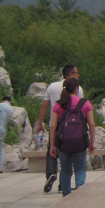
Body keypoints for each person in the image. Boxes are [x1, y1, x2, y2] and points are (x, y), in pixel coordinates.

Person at [35, 65, 84, 193]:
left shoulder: (52, 86)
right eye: (77, 73)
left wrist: (39, 123)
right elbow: (82, 108)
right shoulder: (78, 89)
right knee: (67, 159)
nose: (78, 75)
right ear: (71, 74)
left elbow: (45, 106)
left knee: (52, 151)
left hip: (55, 126)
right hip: (72, 128)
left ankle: (51, 173)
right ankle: (63, 185)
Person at [48, 77, 95, 196]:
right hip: (80, 141)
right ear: (76, 89)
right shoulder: (85, 103)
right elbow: (92, 124)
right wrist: (92, 142)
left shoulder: (59, 105)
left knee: (65, 169)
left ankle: (66, 195)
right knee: (79, 167)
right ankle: (79, 191)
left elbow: (53, 126)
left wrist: (52, 145)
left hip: (63, 143)